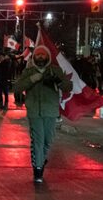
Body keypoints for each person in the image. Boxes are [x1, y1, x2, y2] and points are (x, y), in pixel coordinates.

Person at [14, 45, 73, 183]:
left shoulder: (55, 70)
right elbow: (17, 87)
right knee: (38, 142)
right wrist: (32, 79)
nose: (40, 57)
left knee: (47, 140)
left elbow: (68, 86)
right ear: (34, 57)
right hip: (34, 111)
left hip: (50, 110)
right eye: (38, 55)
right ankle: (38, 170)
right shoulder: (29, 71)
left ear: (47, 57)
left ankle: (41, 159)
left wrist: (57, 80)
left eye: (43, 55)